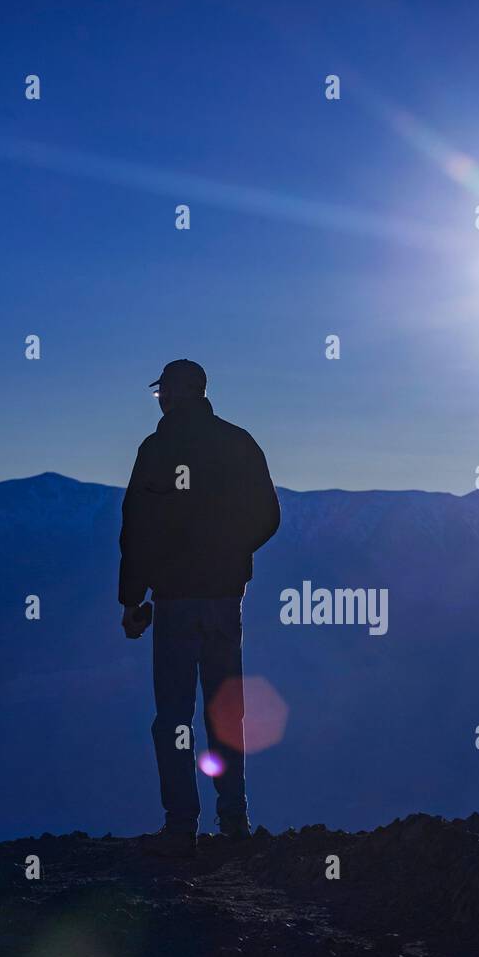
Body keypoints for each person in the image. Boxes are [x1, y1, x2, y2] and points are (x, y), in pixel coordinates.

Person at [119, 359, 280, 855]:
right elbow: (269, 516)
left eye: (161, 392)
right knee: (225, 709)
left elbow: (137, 529)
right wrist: (232, 555)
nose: (160, 400)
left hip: (174, 601)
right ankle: (234, 820)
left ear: (171, 393)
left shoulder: (157, 449)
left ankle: (180, 826)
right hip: (223, 600)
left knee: (173, 714)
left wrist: (133, 599)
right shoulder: (238, 442)